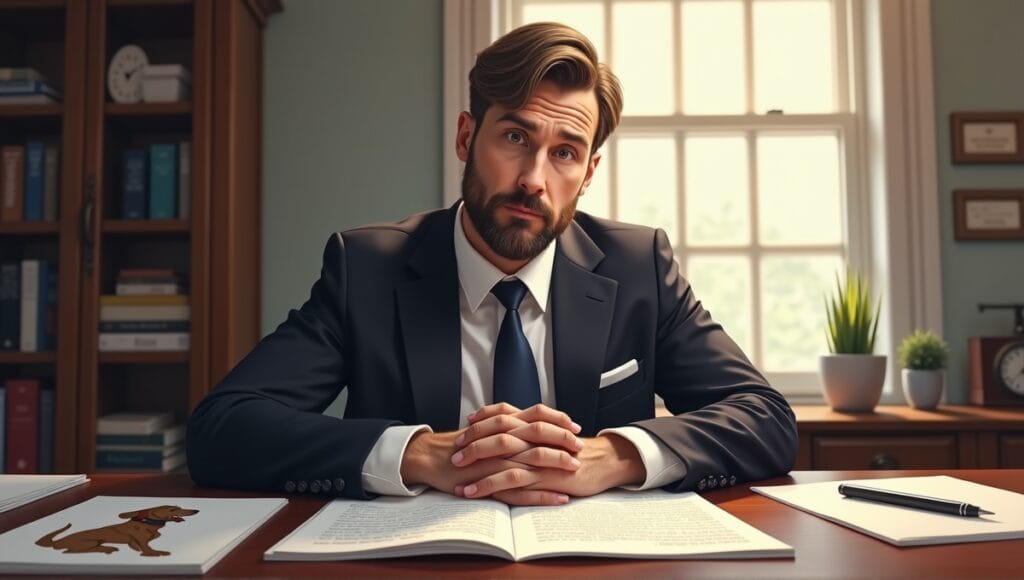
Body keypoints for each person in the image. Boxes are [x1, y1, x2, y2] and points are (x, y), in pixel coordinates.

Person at [186, 22, 797, 506]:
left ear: (587, 174)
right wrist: (419, 454)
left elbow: (765, 418)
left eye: (564, 153)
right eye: (514, 138)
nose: (534, 179)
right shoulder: (367, 269)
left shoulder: (639, 267)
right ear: (465, 137)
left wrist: (613, 456)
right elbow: (223, 428)